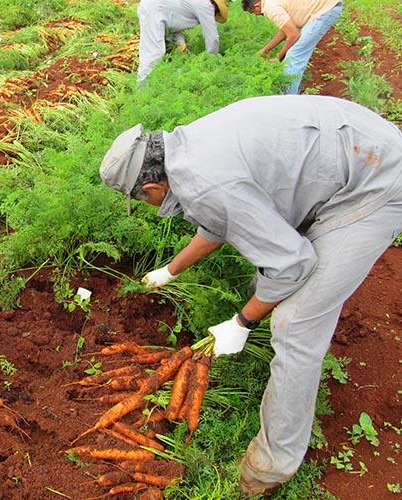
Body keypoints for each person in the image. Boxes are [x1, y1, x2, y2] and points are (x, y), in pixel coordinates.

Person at [99, 95, 402, 497]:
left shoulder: (206, 184)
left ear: (152, 185)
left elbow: (292, 264)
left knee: (293, 324)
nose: (146, 205)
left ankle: (269, 467)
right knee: (269, 282)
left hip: (374, 181)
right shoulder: (185, 150)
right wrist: (170, 270)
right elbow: (222, 220)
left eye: (141, 199)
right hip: (352, 143)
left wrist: (242, 322)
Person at [242, 0, 343, 94]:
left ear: (256, 6)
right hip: (325, 8)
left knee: (294, 55)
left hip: (325, 10)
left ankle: (288, 98)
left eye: (252, 13)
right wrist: (265, 50)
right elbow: (285, 30)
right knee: (294, 53)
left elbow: (293, 34)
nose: (256, 15)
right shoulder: (270, 3)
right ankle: (293, 89)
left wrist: (278, 57)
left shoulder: (269, 8)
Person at [137, 0, 229, 82]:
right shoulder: (206, 6)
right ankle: (142, 88)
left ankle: (150, 84)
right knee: (154, 53)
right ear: (215, 6)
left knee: (154, 52)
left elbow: (175, 21)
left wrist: (181, 44)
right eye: (216, 13)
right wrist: (212, 61)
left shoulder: (197, 3)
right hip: (154, 10)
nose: (214, 16)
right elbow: (212, 37)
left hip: (153, 8)